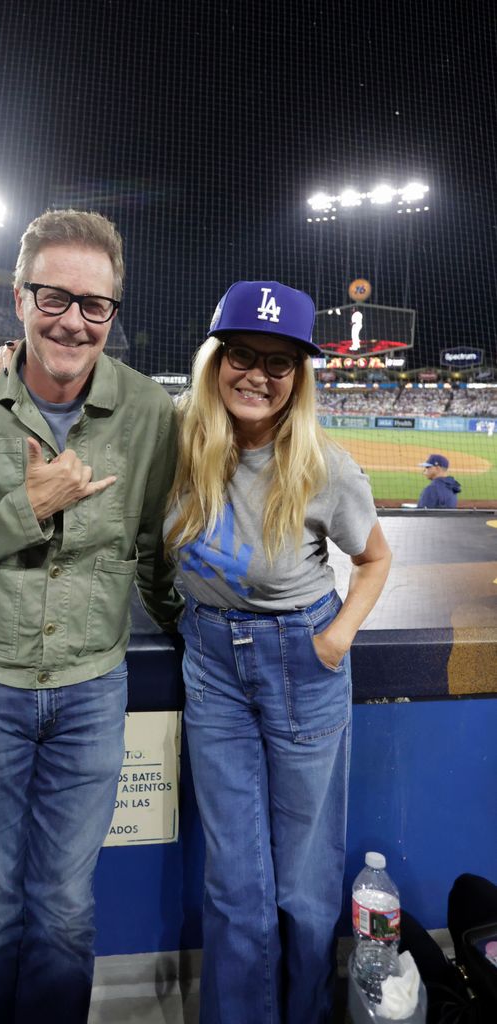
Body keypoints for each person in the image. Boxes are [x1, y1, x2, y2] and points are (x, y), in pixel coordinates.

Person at [0, 209, 182, 1024]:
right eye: (53, 297)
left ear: (113, 313)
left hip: (93, 689)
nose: (73, 321)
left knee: (64, 907)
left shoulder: (148, 412)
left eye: (95, 305)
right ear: (18, 297)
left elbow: (156, 553)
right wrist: (27, 508)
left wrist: (206, 642)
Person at [164, 280, 392, 1024]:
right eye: (241, 354)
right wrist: (10, 361)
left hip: (301, 660)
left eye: (279, 362)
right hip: (211, 664)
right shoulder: (180, 437)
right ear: (214, 361)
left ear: (299, 376)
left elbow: (375, 560)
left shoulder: (324, 464)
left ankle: (305, 1012)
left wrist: (335, 639)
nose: (257, 375)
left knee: (302, 879)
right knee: (234, 880)